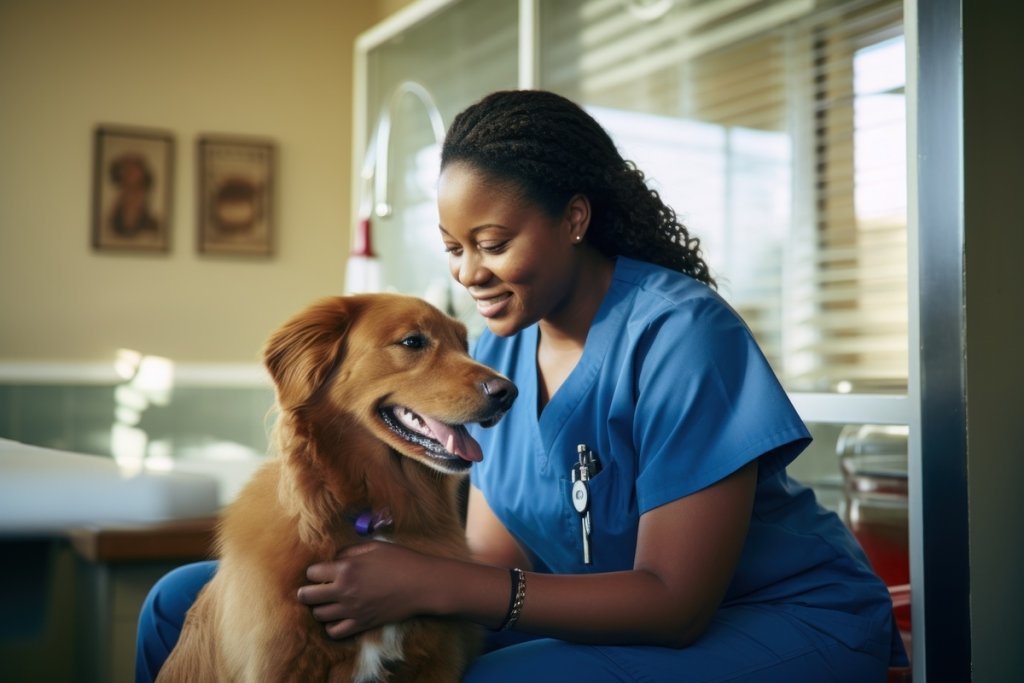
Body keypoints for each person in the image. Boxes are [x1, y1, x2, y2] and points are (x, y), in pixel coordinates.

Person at [136, 90, 907, 682]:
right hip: (609, 617)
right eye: (453, 249)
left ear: (574, 218)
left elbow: (675, 602)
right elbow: (492, 560)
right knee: (181, 599)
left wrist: (428, 581)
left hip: (782, 622)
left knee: (502, 676)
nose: (469, 273)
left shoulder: (680, 335)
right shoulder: (502, 350)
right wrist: (381, 565)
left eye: (492, 243)